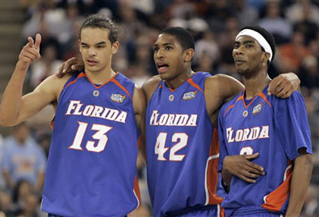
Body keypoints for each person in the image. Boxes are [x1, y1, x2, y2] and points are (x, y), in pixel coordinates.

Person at [59, 26, 300, 217]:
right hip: (163, 208)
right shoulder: (150, 90)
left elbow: (258, 93)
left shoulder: (214, 86)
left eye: (168, 47)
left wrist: (292, 77)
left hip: (204, 208)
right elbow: (116, 91)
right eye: (156, 49)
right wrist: (88, 69)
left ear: (188, 55)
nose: (159, 54)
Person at [0, 14, 146, 216]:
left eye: (99, 46)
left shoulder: (134, 95)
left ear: (115, 47)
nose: (91, 53)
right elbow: (8, 117)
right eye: (85, 46)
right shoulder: (61, 83)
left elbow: (151, 155)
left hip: (110, 210)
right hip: (64, 209)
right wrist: (21, 67)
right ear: (79, 45)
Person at [218, 26, 313, 217]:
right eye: (236, 45)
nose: (239, 50)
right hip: (232, 211)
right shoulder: (226, 111)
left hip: (268, 209)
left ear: (265, 56)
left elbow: (303, 159)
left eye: (248, 45)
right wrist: (227, 164)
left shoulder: (282, 95)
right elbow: (221, 175)